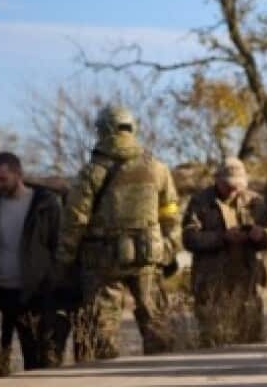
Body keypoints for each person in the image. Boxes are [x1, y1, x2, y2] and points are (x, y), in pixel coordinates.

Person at [56, 105, 182, 360]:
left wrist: (64, 260)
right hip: (149, 258)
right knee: (157, 326)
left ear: (103, 131)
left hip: (102, 263)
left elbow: (74, 221)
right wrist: (168, 249)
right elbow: (170, 214)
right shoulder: (158, 168)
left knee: (100, 333)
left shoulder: (91, 172)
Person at [0, 152, 65, 371]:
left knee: (35, 357)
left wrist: (52, 283)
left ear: (18, 174)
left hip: (33, 292)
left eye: (3, 179)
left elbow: (58, 245)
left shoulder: (46, 204)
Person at [183, 157, 267, 346]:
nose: (233, 190)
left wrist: (263, 236)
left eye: (238, 185)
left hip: (248, 282)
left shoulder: (255, 201)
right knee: (212, 339)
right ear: (217, 180)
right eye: (228, 185)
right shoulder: (200, 202)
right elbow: (189, 238)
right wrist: (222, 237)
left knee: (251, 340)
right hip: (212, 284)